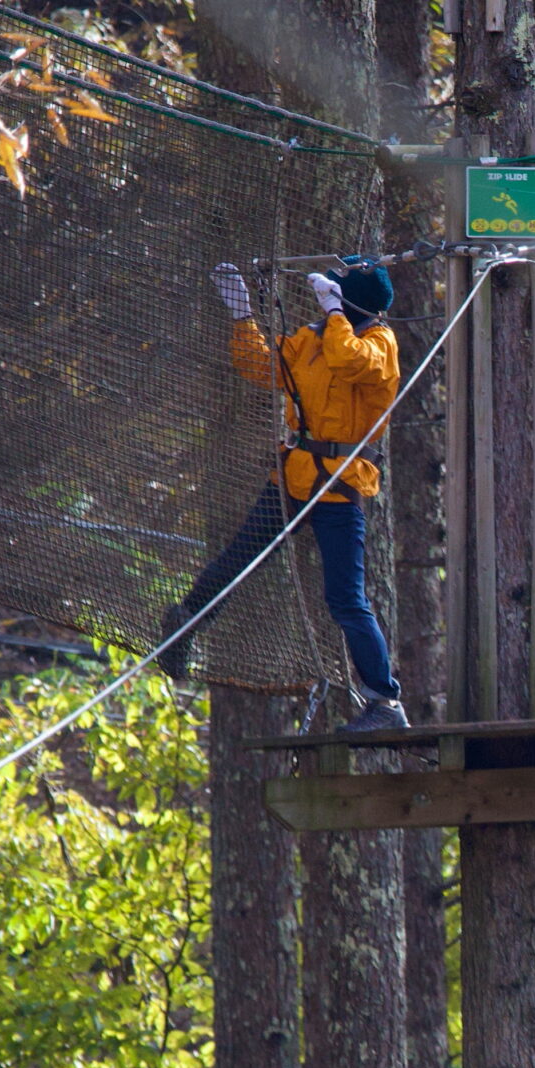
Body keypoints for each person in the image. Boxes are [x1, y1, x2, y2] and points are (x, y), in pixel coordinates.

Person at [167, 255, 408, 731]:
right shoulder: (313, 338)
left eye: (336, 294)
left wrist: (335, 313)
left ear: (351, 302)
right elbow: (265, 368)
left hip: (338, 485)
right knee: (242, 555)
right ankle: (186, 624)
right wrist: (242, 315)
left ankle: (385, 702)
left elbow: (350, 361)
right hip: (294, 476)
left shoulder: (379, 343)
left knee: (345, 599)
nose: (326, 303)